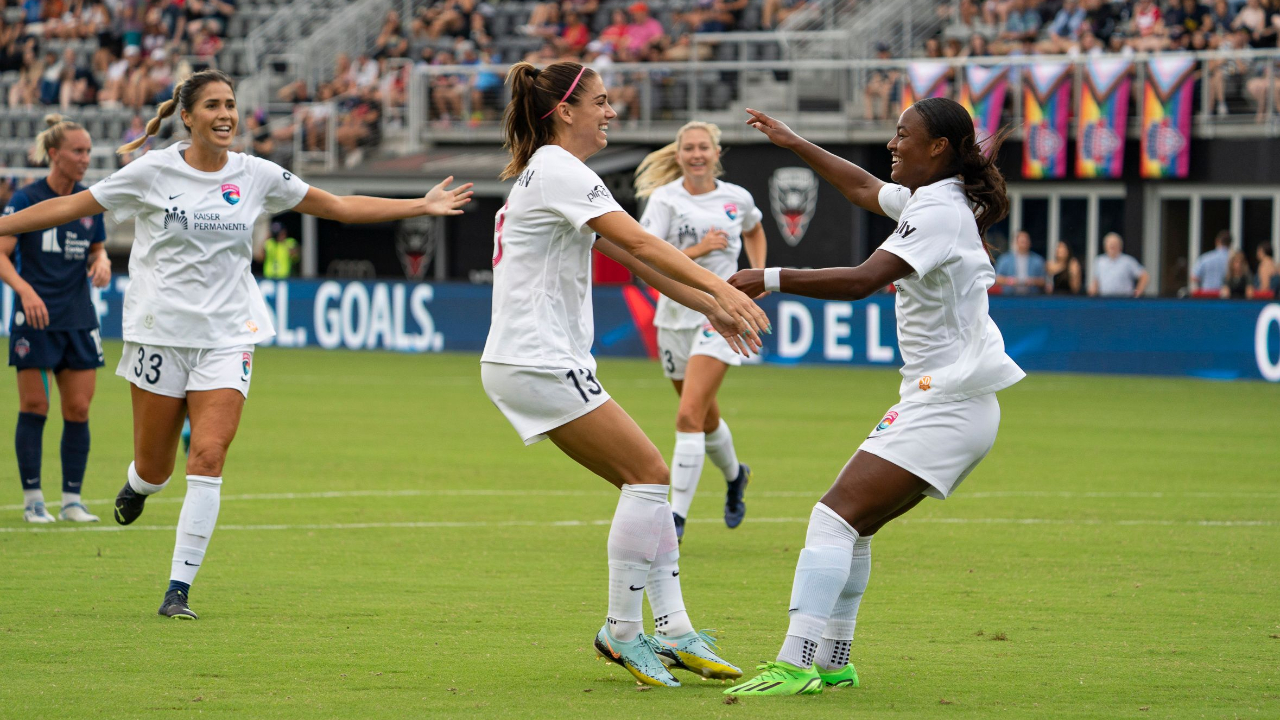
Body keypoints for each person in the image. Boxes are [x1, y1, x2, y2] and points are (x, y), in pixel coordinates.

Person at [0, 70, 473, 620]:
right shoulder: (152, 172)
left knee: (209, 454)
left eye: (231, 105)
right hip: (159, 333)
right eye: (214, 106)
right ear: (188, 116)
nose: (226, 115)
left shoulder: (257, 174)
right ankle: (138, 485)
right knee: (156, 467)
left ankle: (178, 588)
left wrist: (419, 205)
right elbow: (69, 208)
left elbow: (338, 206)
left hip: (228, 336)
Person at [721, 98, 1025, 696]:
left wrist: (768, 277)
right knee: (850, 526)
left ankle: (794, 662)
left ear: (937, 148)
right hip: (943, 400)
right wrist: (794, 142)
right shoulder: (934, 199)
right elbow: (863, 188)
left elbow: (863, 280)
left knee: (830, 520)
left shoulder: (938, 210)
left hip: (949, 403)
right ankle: (833, 661)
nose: (893, 144)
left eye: (902, 134)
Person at [482, 61, 769, 688]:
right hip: (537, 357)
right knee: (649, 475)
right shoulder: (560, 168)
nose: (611, 112)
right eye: (602, 102)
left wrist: (714, 305)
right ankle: (622, 629)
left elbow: (631, 258)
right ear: (566, 110)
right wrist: (721, 291)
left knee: (648, 485)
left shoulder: (556, 172)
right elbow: (641, 245)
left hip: (536, 358)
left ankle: (673, 629)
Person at [634, 121, 766, 542]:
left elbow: (755, 229)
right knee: (704, 416)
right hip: (673, 316)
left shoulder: (736, 199)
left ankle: (676, 519)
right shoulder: (664, 200)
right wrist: (698, 250)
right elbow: (647, 256)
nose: (696, 154)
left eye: (703, 147)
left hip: (720, 317)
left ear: (716, 153)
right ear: (678, 155)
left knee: (688, 414)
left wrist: (755, 276)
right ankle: (735, 476)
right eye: (688, 147)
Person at [0, 115, 111, 524]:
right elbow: (1, 252)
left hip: (78, 317)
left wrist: (101, 262)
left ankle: (72, 501)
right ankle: (32, 500)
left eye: (87, 152)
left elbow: (97, 248)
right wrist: (24, 289)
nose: (85, 159)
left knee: (79, 409)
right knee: (34, 404)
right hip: (35, 315)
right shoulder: (26, 200)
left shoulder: (89, 201)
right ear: (54, 155)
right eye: (77, 152)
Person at [993, 229, 1046, 294]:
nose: (1024, 244)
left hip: (1032, 298)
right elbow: (997, 279)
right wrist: (1010, 281)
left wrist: (1032, 281)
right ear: (1016, 242)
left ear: (1030, 243)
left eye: (1026, 241)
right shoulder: (1005, 259)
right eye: (1022, 242)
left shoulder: (1037, 260)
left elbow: (1043, 281)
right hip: (1009, 297)